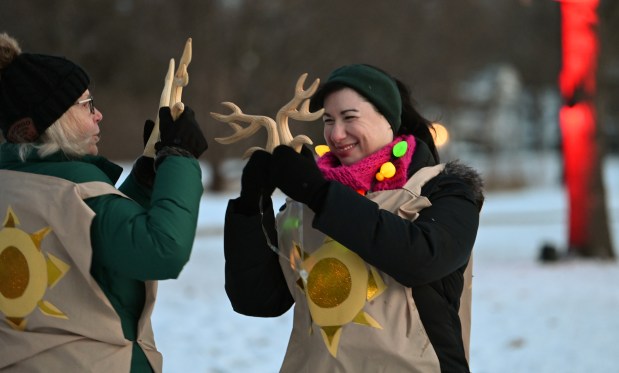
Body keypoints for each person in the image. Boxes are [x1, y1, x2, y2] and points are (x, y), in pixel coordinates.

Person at [223, 64, 484, 372]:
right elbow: (258, 300)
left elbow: (422, 258)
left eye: (350, 118)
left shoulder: (444, 190)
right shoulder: (305, 204)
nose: (336, 134)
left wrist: (319, 194)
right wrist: (251, 207)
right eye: (328, 120)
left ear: (389, 120)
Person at [0, 33, 207, 372]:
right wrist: (180, 157)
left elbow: (97, 242)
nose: (99, 115)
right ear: (55, 121)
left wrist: (145, 177)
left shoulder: (18, 184)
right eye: (87, 105)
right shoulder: (79, 196)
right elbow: (163, 249)